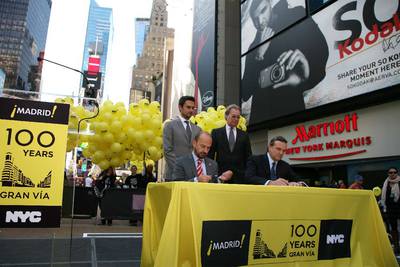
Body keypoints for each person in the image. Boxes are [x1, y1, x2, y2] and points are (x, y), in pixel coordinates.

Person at [241, 0, 329, 125]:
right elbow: (245, 92)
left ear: (270, 4)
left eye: (263, 11)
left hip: (292, 111)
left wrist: (306, 76)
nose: (260, 22)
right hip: (261, 117)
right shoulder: (253, 48)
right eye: (255, 19)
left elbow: (321, 51)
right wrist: (259, 54)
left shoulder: (296, 15)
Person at [208, 104, 252, 184]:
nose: (236, 119)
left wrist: (247, 174)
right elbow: (210, 155)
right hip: (220, 176)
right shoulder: (216, 133)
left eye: (238, 117)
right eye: (233, 116)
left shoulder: (244, 135)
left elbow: (248, 157)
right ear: (226, 116)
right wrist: (211, 175)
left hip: (239, 177)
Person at [163, 96, 201, 181]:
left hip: (192, 176)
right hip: (173, 175)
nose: (191, 110)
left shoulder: (197, 129)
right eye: (188, 107)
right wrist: (180, 169)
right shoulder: (170, 125)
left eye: (193, 108)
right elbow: (167, 150)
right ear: (180, 107)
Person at [380, 167, 400, 253]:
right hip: (390, 209)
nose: (392, 174)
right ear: (388, 174)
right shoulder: (385, 183)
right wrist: (384, 207)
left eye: (394, 172)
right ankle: (396, 246)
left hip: (399, 207)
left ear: (397, 173)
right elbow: (383, 197)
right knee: (393, 228)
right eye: (390, 172)